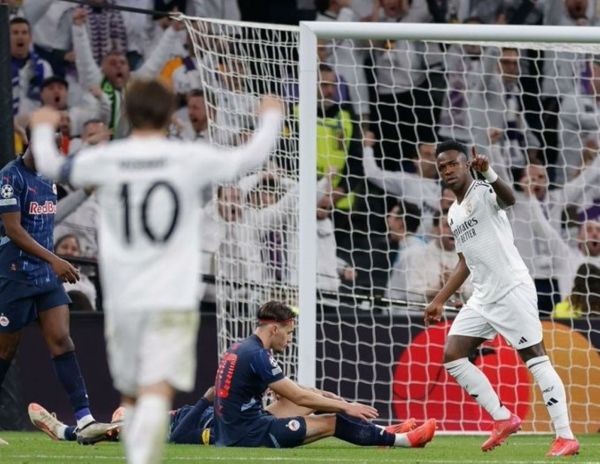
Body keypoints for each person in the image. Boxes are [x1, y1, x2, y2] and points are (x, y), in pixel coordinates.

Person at [30, 78, 284, 464]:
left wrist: (43, 125)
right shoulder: (188, 157)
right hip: (172, 293)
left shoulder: (108, 158)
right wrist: (271, 117)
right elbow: (248, 158)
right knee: (157, 388)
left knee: (133, 391)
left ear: (128, 114)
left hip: (125, 294)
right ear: (169, 115)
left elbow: (52, 165)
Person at [424, 140, 579, 457]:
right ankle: (502, 417)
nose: (448, 170)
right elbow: (465, 261)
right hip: (483, 297)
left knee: (535, 358)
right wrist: (439, 300)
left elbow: (509, 200)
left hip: (511, 290)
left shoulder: (483, 190)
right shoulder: (453, 213)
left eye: (453, 163)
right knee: (453, 355)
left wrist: (490, 173)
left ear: (466, 164)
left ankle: (565, 436)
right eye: (442, 167)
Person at [0, 143, 113, 444]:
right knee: (5, 350)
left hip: (45, 277)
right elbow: (13, 230)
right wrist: (54, 259)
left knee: (62, 339)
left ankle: (85, 420)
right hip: (14, 274)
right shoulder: (10, 177)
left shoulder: (48, 178)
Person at [213, 300, 436, 448]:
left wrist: (324, 395)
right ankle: (403, 440)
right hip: (248, 434)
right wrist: (346, 406)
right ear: (274, 329)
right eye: (289, 333)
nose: (290, 340)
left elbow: (291, 390)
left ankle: (383, 431)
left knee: (321, 399)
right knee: (333, 421)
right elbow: (298, 396)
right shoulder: (258, 355)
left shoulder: (241, 347)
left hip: (236, 428)